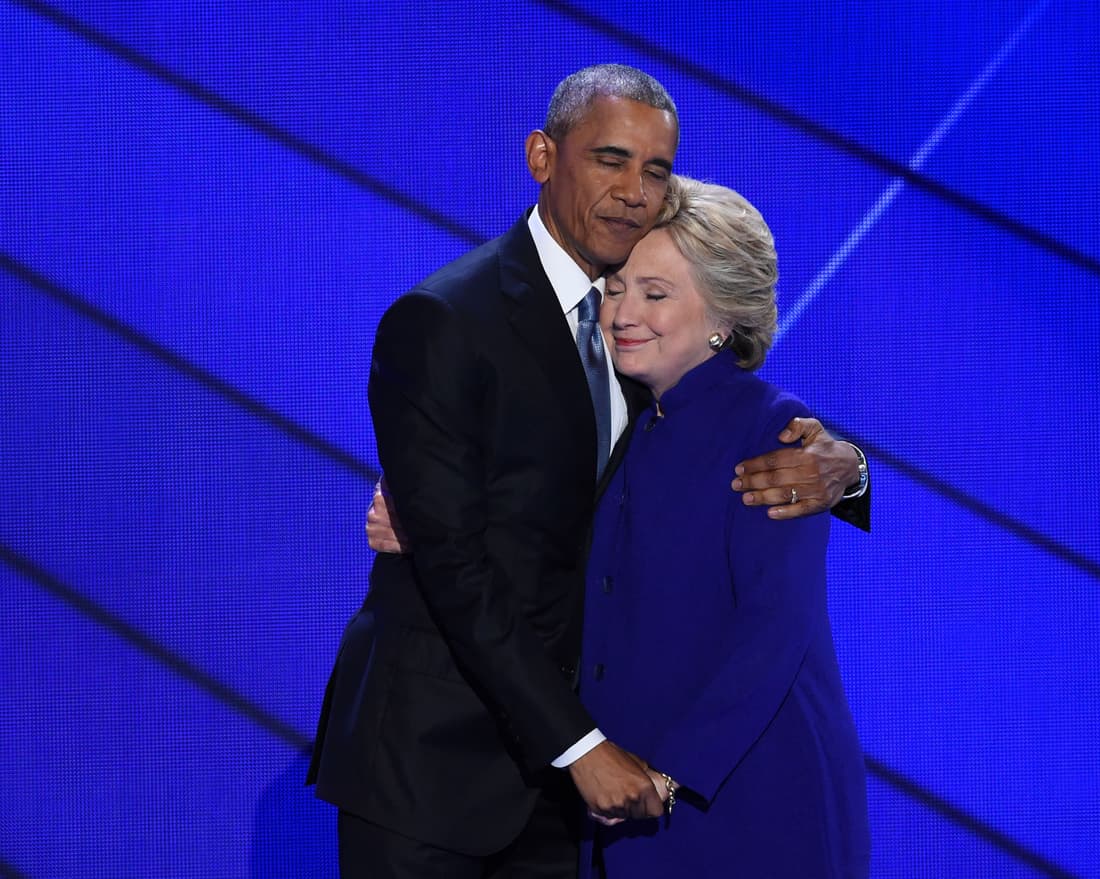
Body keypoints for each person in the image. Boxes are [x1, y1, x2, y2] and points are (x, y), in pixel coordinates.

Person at [308, 64, 868, 879]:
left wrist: (849, 468)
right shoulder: (443, 320)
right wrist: (430, 526)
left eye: (656, 169)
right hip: (439, 774)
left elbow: (737, 458)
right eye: (611, 159)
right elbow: (461, 559)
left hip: (599, 794)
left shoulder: (663, 370)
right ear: (542, 155)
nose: (635, 189)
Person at [580, 175, 870, 878]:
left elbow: (775, 627)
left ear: (723, 315)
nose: (623, 311)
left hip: (746, 805)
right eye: (617, 286)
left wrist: (670, 774)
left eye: (656, 293)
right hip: (625, 803)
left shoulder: (772, 429)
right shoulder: (626, 415)